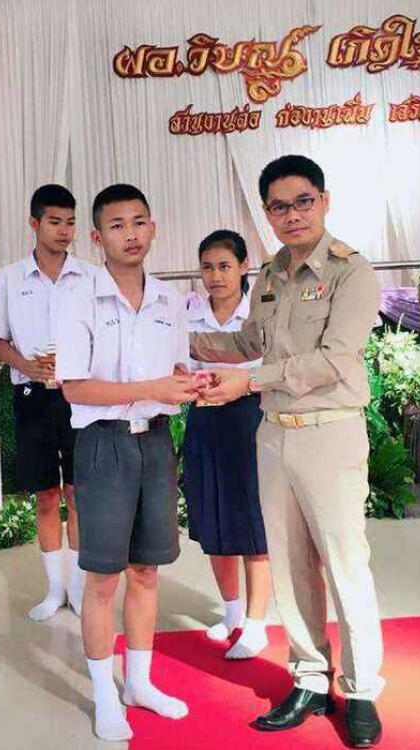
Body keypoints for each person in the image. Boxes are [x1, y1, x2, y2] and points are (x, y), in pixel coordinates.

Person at [191, 155, 385, 747]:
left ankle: (360, 689)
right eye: (279, 206)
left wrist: (249, 381)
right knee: (290, 563)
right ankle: (308, 677)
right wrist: (165, 338)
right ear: (267, 213)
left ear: (324, 200)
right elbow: (250, 340)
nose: (293, 214)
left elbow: (335, 359)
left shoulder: (352, 272)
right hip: (274, 433)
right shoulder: (271, 276)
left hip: (330, 432)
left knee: (344, 563)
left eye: (303, 201)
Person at [56, 183, 196, 742]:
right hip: (103, 445)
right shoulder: (78, 299)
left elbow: (176, 372)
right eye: (117, 225)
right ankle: (104, 695)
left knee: (146, 571)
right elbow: (75, 388)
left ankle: (139, 683)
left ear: (153, 228)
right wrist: (151, 388)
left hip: (155, 443)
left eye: (139, 222)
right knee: (102, 579)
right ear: (97, 237)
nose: (130, 234)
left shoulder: (169, 300)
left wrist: (192, 385)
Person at [0, 183, 89, 621]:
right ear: (34, 223)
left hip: (80, 396)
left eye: (70, 223)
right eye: (54, 222)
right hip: (31, 397)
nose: (64, 231)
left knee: (78, 492)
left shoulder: (89, 276)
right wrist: (28, 366)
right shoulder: (10, 278)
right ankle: (54, 589)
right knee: (46, 495)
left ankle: (79, 590)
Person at [184, 229, 270, 660]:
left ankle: (257, 624)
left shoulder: (260, 313)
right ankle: (232, 611)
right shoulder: (188, 313)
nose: (215, 276)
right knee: (213, 517)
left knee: (252, 522)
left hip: (250, 420)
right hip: (204, 420)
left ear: (243, 267)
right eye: (207, 267)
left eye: (224, 266)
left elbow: (271, 368)